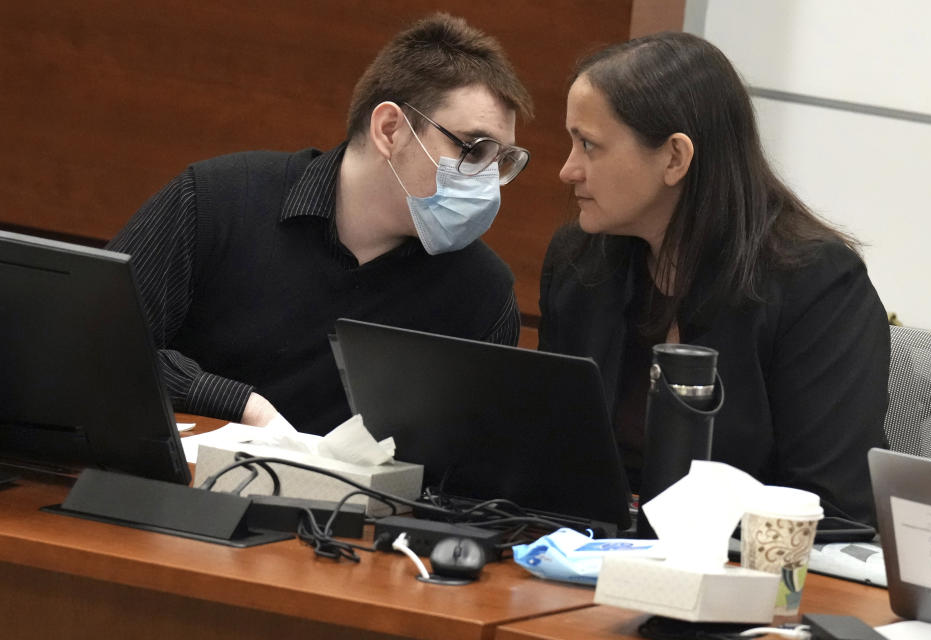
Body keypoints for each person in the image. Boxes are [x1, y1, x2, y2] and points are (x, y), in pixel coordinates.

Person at [108, 13, 534, 434]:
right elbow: (95, 341)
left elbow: (467, 466)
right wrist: (241, 405)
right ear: (390, 130)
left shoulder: (482, 293)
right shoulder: (216, 200)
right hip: (172, 490)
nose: (488, 182)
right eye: (474, 150)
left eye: (503, 160)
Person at [538, 32, 889, 527]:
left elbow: (833, 509)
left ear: (675, 158)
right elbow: (550, 456)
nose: (567, 170)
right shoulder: (579, 261)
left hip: (752, 578)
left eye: (589, 145)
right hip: (591, 560)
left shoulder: (819, 285)